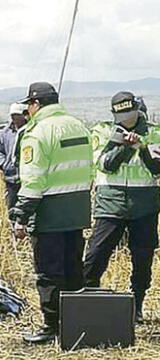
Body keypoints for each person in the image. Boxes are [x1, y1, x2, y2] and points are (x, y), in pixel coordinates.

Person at [8, 82, 93, 344]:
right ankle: (77, 323)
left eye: (29, 105)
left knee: (49, 273)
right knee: (73, 270)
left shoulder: (36, 132)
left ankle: (53, 327)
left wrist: (20, 216)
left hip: (50, 215)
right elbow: (89, 169)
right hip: (77, 211)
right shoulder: (78, 125)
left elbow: (33, 182)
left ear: (36, 104)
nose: (28, 111)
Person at [83, 91, 160, 324]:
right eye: (121, 114)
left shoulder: (155, 132)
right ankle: (88, 300)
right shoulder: (102, 130)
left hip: (144, 205)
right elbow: (105, 165)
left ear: (138, 109)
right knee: (95, 255)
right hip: (110, 203)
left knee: (142, 258)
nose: (125, 118)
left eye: (129, 113)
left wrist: (142, 147)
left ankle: (137, 305)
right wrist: (125, 147)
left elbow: (156, 169)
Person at [0, 103, 28, 211]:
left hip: (27, 177)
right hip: (10, 177)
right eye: (13, 116)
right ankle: (12, 227)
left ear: (24, 115)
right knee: (11, 207)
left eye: (18, 115)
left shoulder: (31, 130)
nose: (15, 118)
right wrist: (3, 165)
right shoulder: (5, 133)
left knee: (27, 208)